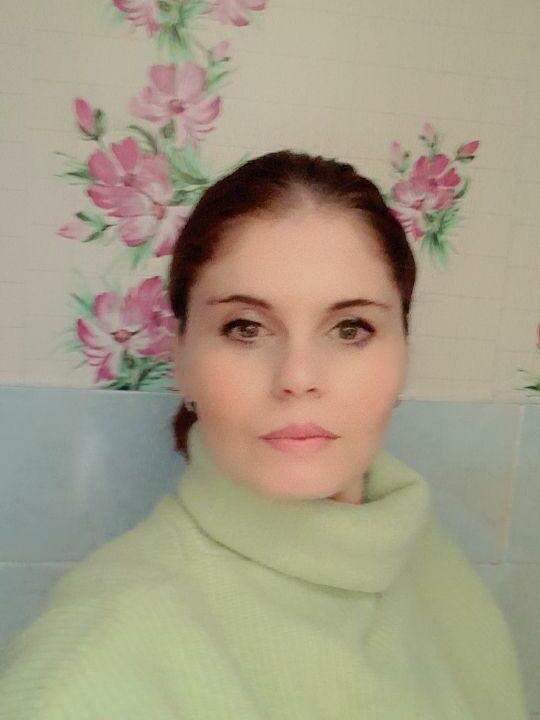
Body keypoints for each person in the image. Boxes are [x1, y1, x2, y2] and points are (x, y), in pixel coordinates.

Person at [0, 150, 529, 718]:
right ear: (181, 358)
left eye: (351, 328)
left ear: (403, 353)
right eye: (245, 327)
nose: (297, 377)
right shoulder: (83, 671)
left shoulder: (431, 564)